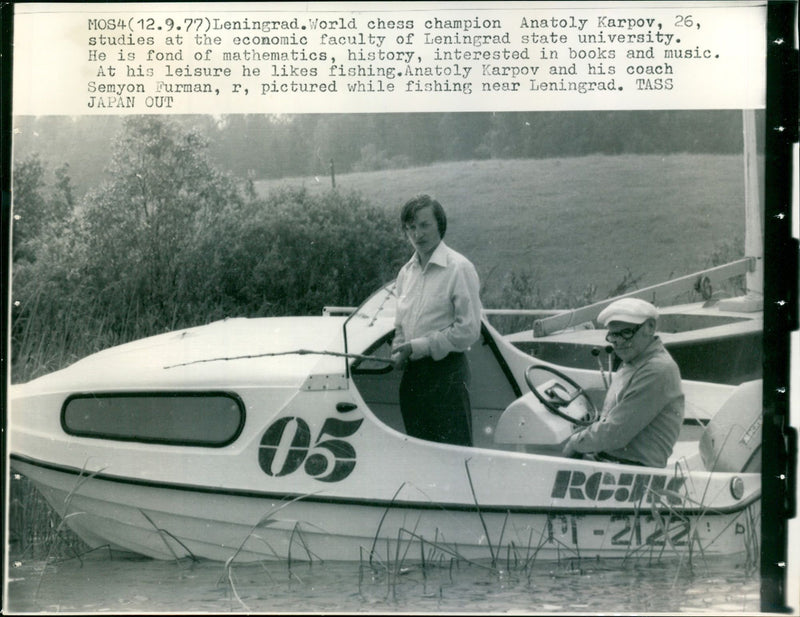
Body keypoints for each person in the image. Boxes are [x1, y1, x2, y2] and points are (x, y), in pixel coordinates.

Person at [391, 195, 482, 446]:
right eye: (410, 227)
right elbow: (400, 323)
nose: (417, 234)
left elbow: (469, 330)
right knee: (421, 457)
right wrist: (399, 347)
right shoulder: (405, 273)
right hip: (412, 378)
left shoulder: (459, 268)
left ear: (440, 224)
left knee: (454, 457)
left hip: (447, 376)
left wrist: (420, 346)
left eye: (424, 225)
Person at [561, 298, 685, 467]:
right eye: (613, 335)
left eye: (626, 332)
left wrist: (575, 442)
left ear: (650, 327)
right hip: (614, 463)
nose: (619, 342)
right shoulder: (634, 361)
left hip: (634, 473)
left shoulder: (657, 369)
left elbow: (615, 434)